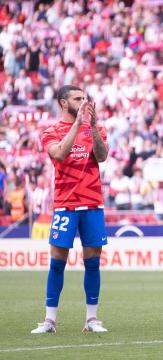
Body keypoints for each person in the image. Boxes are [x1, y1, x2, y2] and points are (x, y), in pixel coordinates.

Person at [32, 85, 110, 333]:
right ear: (63, 103)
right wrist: (77, 125)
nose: (83, 101)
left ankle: (91, 320)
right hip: (66, 204)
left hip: (93, 203)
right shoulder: (51, 131)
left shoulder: (95, 129)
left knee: (93, 263)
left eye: (85, 97)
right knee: (57, 262)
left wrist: (93, 127)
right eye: (78, 98)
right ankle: (50, 321)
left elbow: (102, 156)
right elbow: (59, 154)